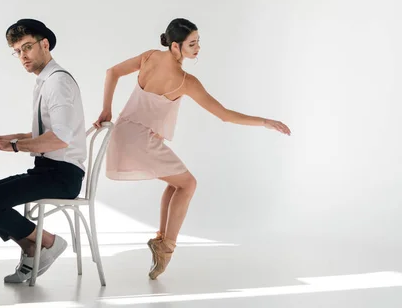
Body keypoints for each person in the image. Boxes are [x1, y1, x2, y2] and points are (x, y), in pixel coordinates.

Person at [93, 18, 291, 279]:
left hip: (123, 133)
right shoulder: (185, 80)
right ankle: (166, 248)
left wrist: (107, 109)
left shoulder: (149, 56)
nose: (198, 48)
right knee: (188, 184)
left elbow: (112, 72)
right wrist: (265, 122)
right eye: (192, 43)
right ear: (175, 46)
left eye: (198, 43)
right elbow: (224, 115)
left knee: (177, 184)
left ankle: (162, 240)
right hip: (140, 140)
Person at [0, 18, 87, 283]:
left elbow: (59, 139)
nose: (22, 56)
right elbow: (47, 132)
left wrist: (14, 146)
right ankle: (33, 247)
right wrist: (12, 137)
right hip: (49, 172)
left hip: (62, 176)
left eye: (27, 47)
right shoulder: (46, 81)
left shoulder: (58, 82)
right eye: (17, 51)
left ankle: (46, 243)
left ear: (44, 44)